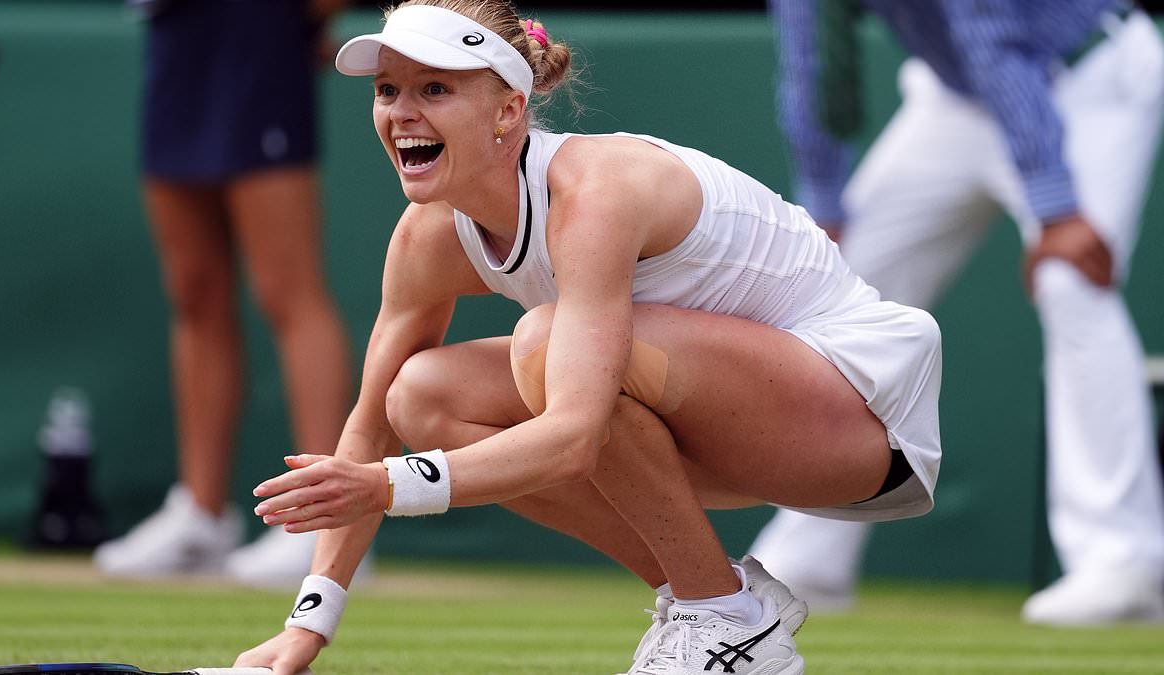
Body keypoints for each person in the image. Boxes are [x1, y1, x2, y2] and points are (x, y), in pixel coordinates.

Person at [231, 1, 942, 673]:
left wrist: (387, 487)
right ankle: (721, 602)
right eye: (388, 90)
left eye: (435, 89)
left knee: (547, 346)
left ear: (509, 110)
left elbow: (573, 434)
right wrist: (308, 624)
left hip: (857, 427)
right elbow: (369, 427)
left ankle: (725, 614)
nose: (402, 113)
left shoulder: (596, 192)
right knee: (417, 396)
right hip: (722, 432)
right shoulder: (427, 237)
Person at [751, 0, 1164, 625]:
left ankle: (1120, 562)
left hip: (1088, 79)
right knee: (845, 281)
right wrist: (824, 202)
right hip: (955, 98)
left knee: (1070, 282)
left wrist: (1056, 203)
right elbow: (811, 56)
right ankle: (810, 557)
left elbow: (989, 32)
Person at [94, 0, 368, 587]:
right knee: (193, 291)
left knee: (286, 289)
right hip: (175, 37)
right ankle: (200, 514)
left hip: (260, 35)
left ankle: (328, 524)